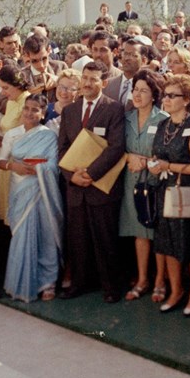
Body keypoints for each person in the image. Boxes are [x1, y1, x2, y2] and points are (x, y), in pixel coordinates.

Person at [56, 59, 127, 301]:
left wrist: (91, 174)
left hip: (101, 186)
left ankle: (111, 287)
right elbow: (62, 149)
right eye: (84, 78)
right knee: (78, 239)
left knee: (105, 238)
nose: (86, 83)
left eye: (92, 79)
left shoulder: (114, 109)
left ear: (104, 83)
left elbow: (116, 148)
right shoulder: (70, 110)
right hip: (76, 188)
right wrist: (72, 176)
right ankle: (79, 284)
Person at [148, 73, 190, 315]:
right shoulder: (163, 125)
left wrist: (167, 166)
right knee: (166, 243)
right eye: (165, 95)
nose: (166, 99)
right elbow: (158, 155)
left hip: (187, 193)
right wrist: (156, 164)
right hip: (165, 191)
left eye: (172, 96)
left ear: (186, 99)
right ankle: (176, 290)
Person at [1, 92, 65, 302]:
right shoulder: (12, 134)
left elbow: (54, 165)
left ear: (43, 112)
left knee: (45, 235)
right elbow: (1, 161)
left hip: (42, 192)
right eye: (27, 108)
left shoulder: (49, 135)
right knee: (21, 234)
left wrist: (39, 168)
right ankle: (20, 283)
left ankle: (48, 283)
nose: (29, 113)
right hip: (20, 191)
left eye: (35, 109)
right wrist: (14, 166)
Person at [118, 68, 168, 301]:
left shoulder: (163, 120)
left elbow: (169, 155)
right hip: (130, 181)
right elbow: (118, 149)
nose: (137, 95)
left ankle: (160, 280)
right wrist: (130, 158)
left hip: (155, 182)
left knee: (156, 232)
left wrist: (146, 162)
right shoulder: (125, 118)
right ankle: (142, 279)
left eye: (143, 91)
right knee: (139, 232)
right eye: (135, 89)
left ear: (154, 94)